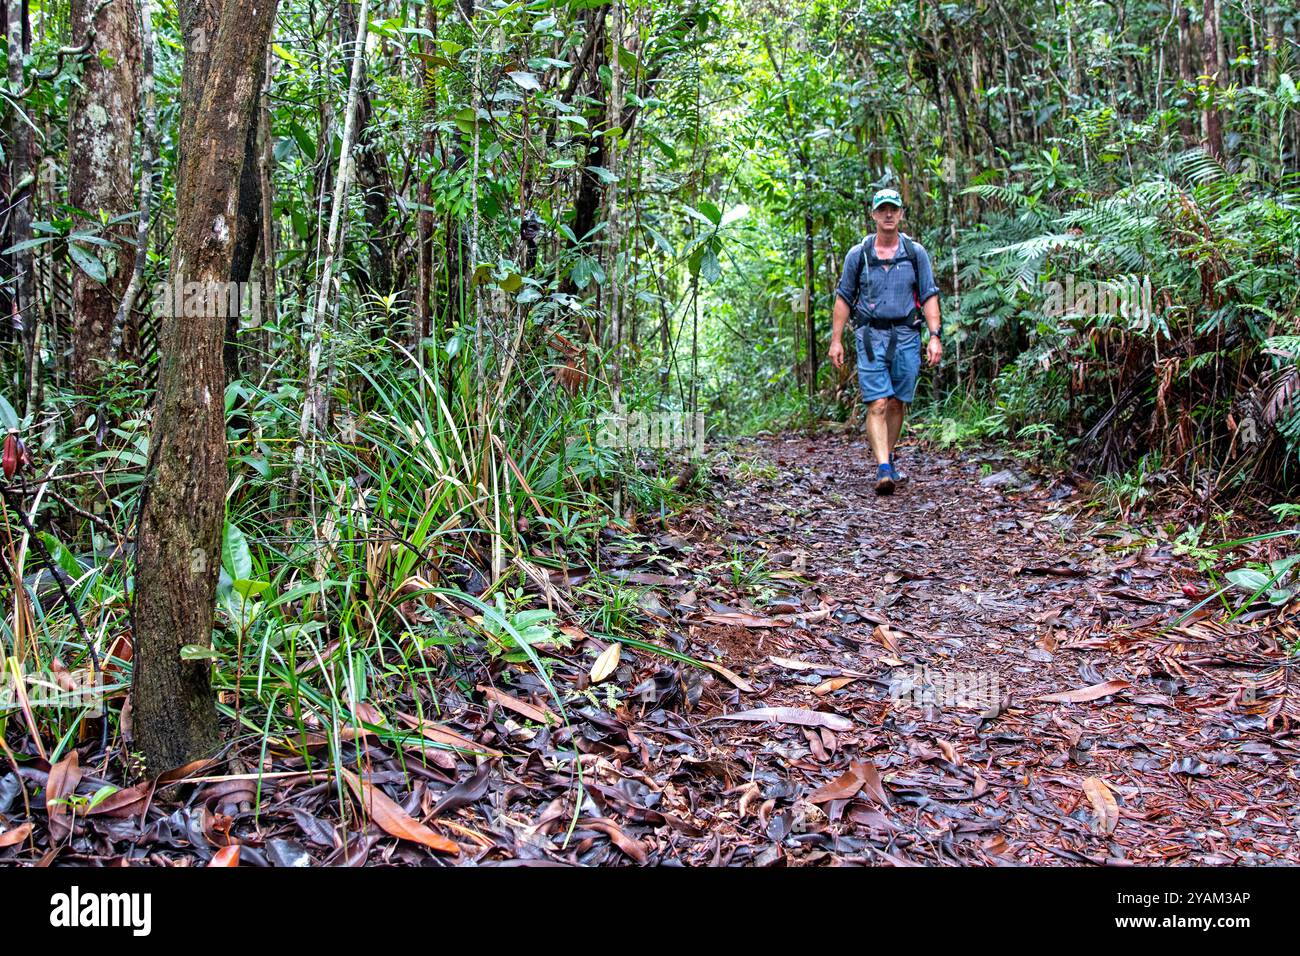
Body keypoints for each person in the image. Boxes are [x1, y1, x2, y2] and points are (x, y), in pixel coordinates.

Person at [828, 188, 943, 495]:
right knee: (877, 401)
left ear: (901, 214)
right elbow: (843, 299)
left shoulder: (915, 253)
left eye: (894, 209)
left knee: (897, 402)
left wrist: (934, 336)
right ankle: (883, 468)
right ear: (874, 215)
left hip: (906, 335)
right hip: (869, 337)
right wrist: (836, 340)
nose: (889, 214)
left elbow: (929, 294)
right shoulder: (859, 255)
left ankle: (888, 458)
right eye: (883, 210)